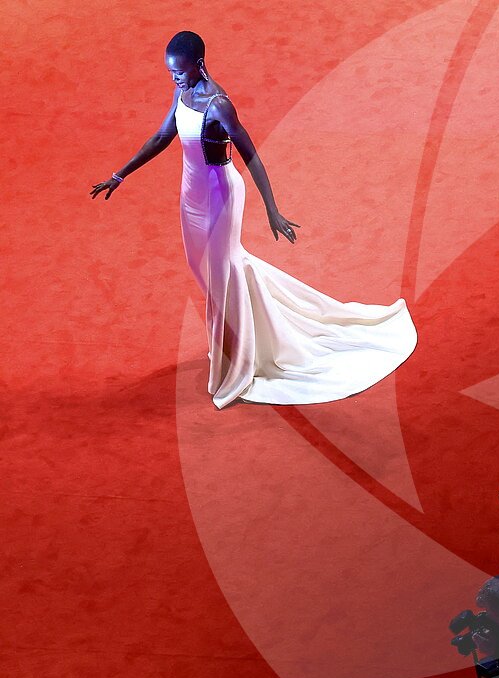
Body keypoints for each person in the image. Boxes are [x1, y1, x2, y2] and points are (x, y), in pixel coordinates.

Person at [89, 31, 417, 409]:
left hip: (220, 198)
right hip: (191, 196)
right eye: (170, 73)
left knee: (224, 271)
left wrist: (272, 209)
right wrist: (119, 175)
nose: (174, 78)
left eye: (179, 72)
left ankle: (240, 357)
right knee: (205, 271)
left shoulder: (218, 105)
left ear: (198, 65)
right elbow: (163, 136)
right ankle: (249, 334)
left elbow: (251, 157)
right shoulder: (183, 94)